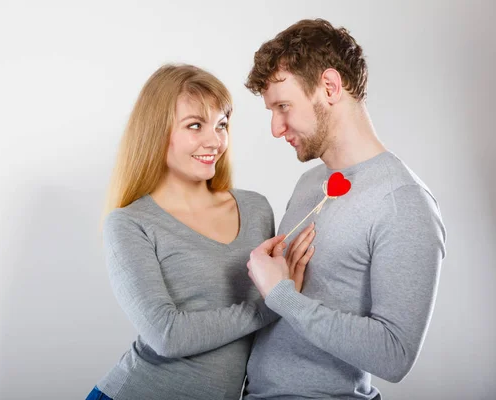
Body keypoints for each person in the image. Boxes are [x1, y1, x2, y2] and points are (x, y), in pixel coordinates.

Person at [85, 64, 315, 400]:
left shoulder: (255, 209)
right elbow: (167, 335)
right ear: (156, 131)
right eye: (195, 125)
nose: (215, 141)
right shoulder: (129, 223)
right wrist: (272, 303)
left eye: (221, 124)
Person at [244, 19, 446, 399]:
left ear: (330, 87)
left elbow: (395, 355)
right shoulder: (309, 183)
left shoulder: (403, 202)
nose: (275, 127)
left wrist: (282, 296)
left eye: (283, 106)